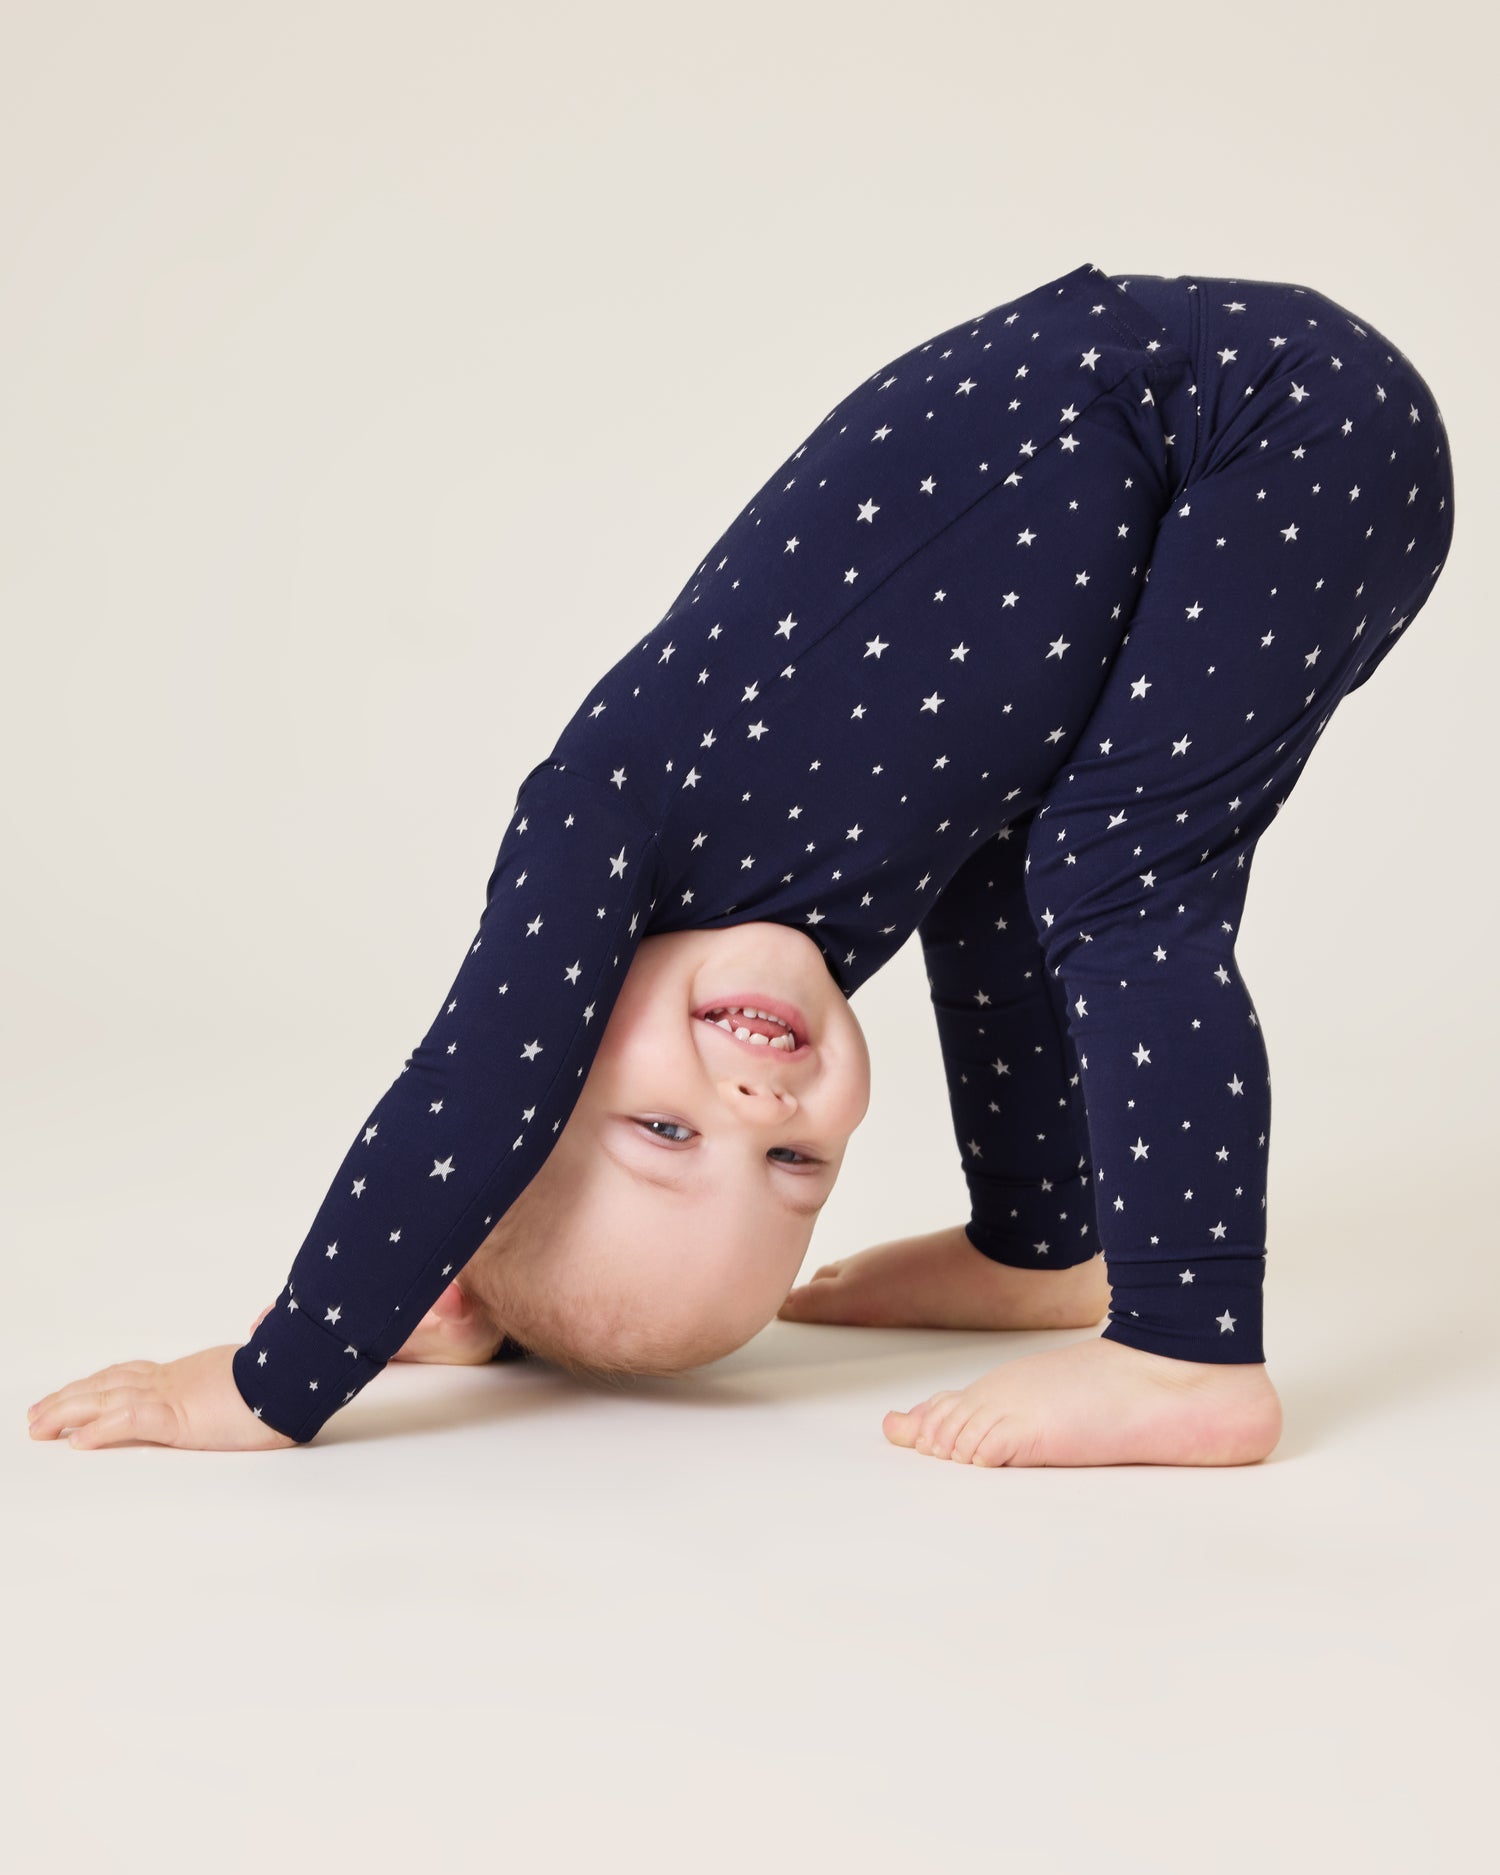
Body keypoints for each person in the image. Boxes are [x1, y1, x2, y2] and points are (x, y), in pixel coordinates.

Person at [27, 261, 1455, 1464]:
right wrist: (467, 1308)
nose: (759, 1105)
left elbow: (472, 1086)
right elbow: (984, 962)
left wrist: (273, 1379)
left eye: (664, 1136)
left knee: (1119, 878)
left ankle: (1189, 1352)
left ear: (555, 1070)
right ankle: (1042, 1249)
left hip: (1265, 416)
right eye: (793, 1164)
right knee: (1014, 876)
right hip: (1246, 464)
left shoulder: (604, 820)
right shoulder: (801, 911)